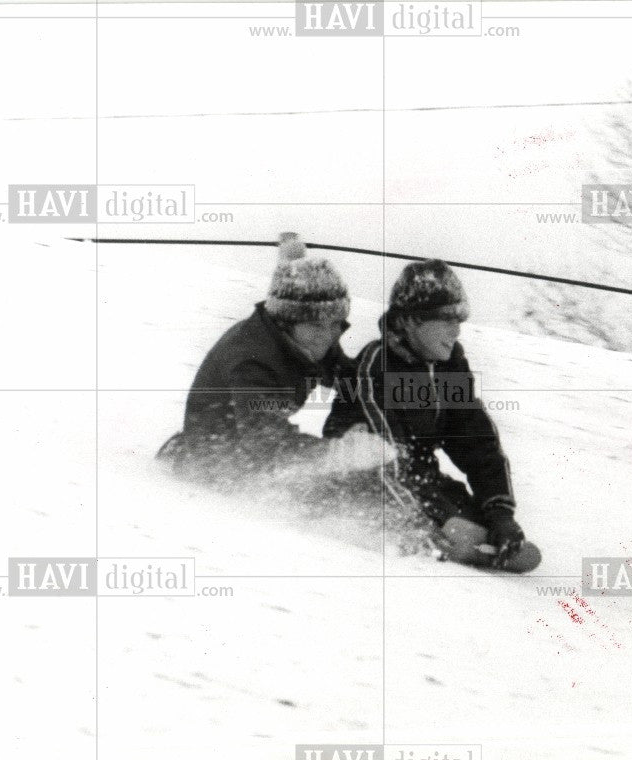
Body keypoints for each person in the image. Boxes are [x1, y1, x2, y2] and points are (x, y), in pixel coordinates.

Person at [323, 259, 540, 572]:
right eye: (446, 319)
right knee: (422, 505)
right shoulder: (377, 365)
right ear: (411, 321)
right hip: (361, 474)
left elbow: (477, 441)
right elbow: (388, 457)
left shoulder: (450, 366)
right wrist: (430, 520)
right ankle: (416, 537)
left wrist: (500, 514)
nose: (456, 329)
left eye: (459, 320)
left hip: (419, 475)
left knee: (478, 520)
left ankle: (459, 532)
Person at [158, 234, 381, 485]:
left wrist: (364, 420)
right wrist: (339, 454)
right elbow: (267, 443)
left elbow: (348, 380)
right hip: (212, 461)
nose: (329, 335)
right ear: (286, 323)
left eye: (335, 324)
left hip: (252, 450)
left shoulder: (310, 337)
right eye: (318, 325)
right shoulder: (252, 362)